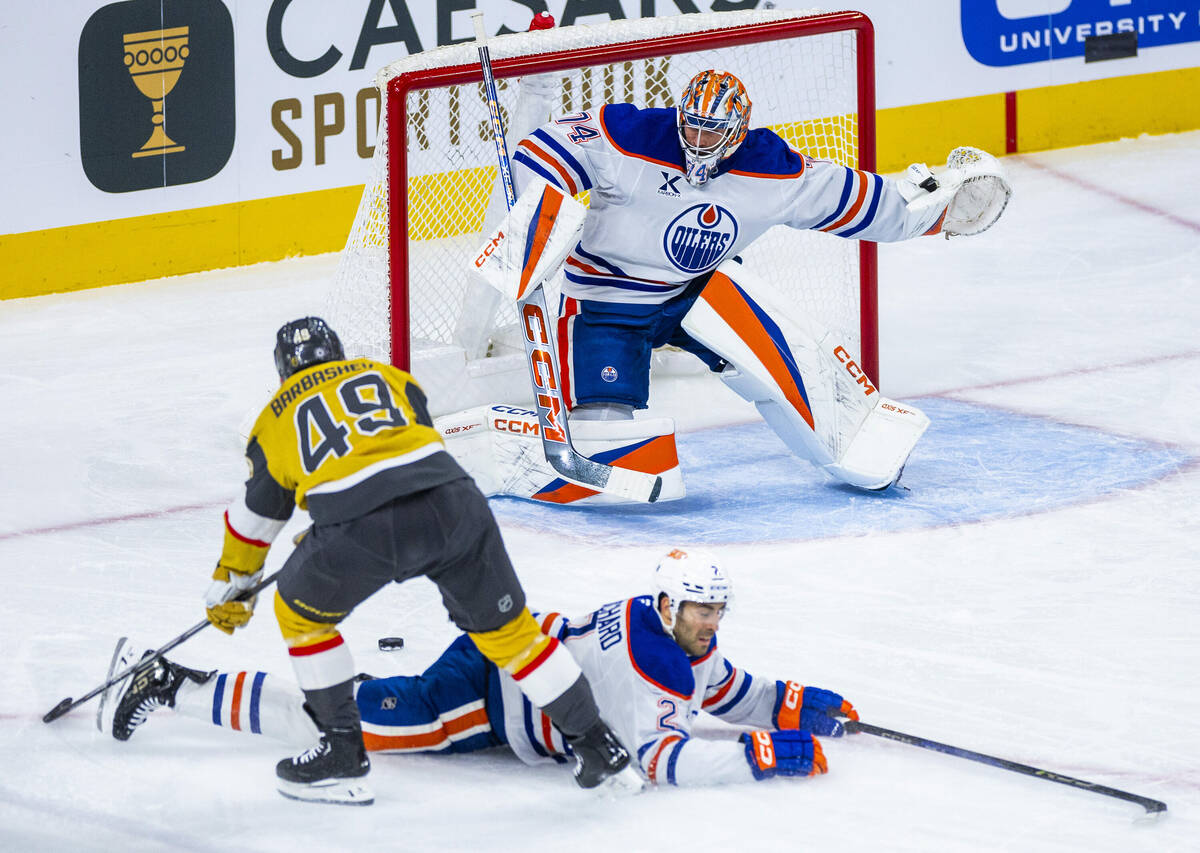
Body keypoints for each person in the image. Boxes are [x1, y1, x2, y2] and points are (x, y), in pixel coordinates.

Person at [170, 315, 641, 805]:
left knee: (298, 613)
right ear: (338, 351)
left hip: (360, 528)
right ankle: (601, 752)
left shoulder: (273, 418)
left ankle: (341, 755)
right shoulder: (389, 377)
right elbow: (399, 452)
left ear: (283, 370)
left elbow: (255, 521)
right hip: (454, 502)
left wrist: (235, 582)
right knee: (511, 634)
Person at [503, 68, 1011, 492]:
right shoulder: (629, 133)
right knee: (606, 438)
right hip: (606, 300)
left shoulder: (769, 167)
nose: (698, 140)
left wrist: (931, 213)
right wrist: (540, 212)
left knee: (788, 362)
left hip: (697, 291)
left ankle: (849, 444)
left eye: (712, 131)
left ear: (738, 131)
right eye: (692, 126)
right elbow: (541, 150)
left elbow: (851, 199)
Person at [103, 548, 858, 787]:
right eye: (700, 609)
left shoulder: (662, 627)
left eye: (717, 608)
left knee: (365, 705)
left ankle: (184, 683)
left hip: (500, 664)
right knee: (357, 727)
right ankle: (171, 684)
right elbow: (660, 757)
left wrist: (790, 702)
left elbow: (725, 687)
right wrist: (758, 755)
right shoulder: (649, 662)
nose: (712, 621)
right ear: (669, 604)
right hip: (484, 698)